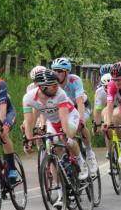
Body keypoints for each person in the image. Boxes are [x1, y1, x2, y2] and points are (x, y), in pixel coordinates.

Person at [22, 69, 89, 208]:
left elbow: (64, 119)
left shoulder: (60, 94)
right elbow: (29, 121)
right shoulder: (28, 98)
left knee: (66, 139)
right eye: (53, 85)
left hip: (70, 116)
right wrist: (28, 139)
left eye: (57, 84)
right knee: (51, 151)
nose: (57, 86)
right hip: (52, 121)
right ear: (42, 86)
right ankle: (60, 194)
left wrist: (65, 134)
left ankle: (81, 163)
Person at [50, 57, 98, 174]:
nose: (56, 73)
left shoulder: (75, 80)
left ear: (67, 72)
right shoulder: (52, 83)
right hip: (65, 110)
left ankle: (89, 152)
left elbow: (80, 101)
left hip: (80, 106)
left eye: (60, 71)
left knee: (80, 126)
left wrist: (81, 119)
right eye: (54, 70)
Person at [93, 73, 112, 158]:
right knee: (105, 114)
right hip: (107, 107)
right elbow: (98, 110)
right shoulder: (99, 92)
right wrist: (97, 125)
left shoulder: (118, 89)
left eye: (110, 86)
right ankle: (109, 149)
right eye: (105, 87)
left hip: (119, 106)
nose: (108, 89)